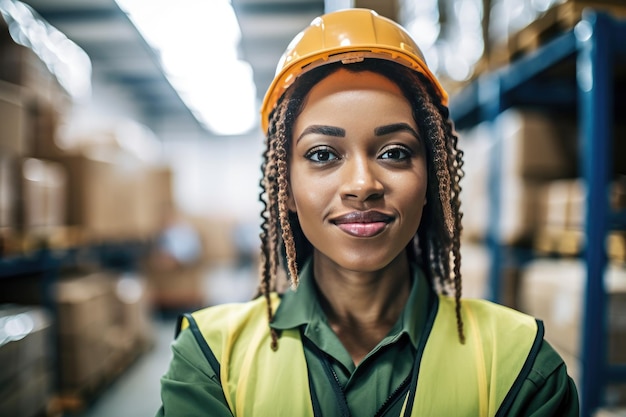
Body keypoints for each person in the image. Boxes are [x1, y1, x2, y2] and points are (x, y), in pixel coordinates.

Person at [156, 8, 579, 416]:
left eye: (395, 153)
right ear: (284, 188)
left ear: (432, 179)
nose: (362, 185)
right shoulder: (210, 360)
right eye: (323, 154)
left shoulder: (521, 368)